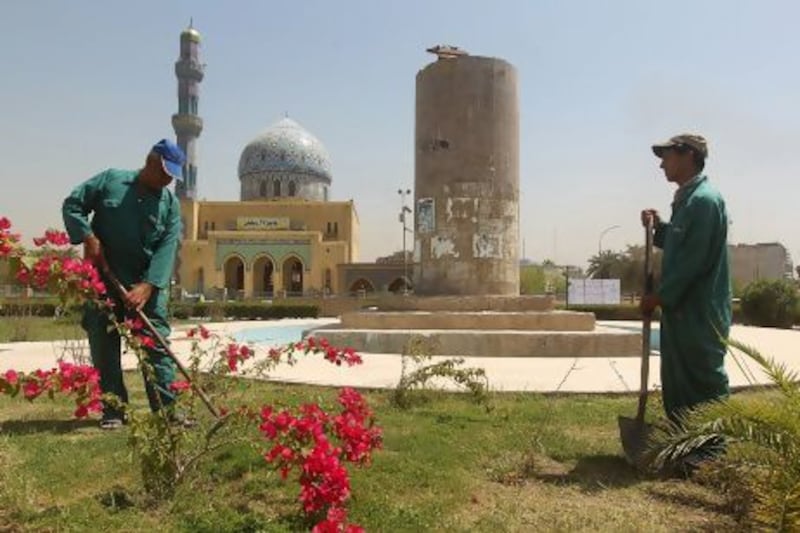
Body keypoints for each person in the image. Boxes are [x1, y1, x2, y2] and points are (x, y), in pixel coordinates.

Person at [62, 139, 184, 429]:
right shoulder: (111, 181)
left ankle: (167, 412)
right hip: (104, 280)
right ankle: (114, 410)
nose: (168, 180)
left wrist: (149, 285)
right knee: (104, 345)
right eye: (165, 172)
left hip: (145, 287)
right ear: (151, 161)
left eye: (172, 175)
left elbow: (167, 247)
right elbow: (73, 205)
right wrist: (87, 237)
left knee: (156, 347)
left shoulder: (169, 203)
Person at [640, 133, 732, 425]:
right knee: (678, 376)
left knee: (701, 377)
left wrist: (659, 297)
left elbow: (693, 262)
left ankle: (709, 450)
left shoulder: (704, 202)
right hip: (682, 312)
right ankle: (682, 442)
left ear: (688, 156)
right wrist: (659, 228)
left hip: (700, 312)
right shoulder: (687, 201)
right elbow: (682, 244)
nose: (661, 165)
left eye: (666, 157)